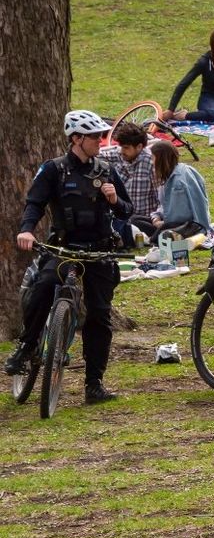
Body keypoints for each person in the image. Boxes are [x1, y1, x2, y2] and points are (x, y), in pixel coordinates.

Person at [5, 111, 133, 403]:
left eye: (101, 136)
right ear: (76, 139)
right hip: (63, 248)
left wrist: (114, 199)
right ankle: (26, 348)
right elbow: (34, 204)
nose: (101, 141)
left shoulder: (106, 169)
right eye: (94, 137)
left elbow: (128, 210)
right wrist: (26, 231)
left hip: (100, 251)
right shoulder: (54, 170)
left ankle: (94, 384)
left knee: (99, 316)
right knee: (43, 288)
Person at [132, 141, 212, 244]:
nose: (152, 162)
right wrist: (156, 218)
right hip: (167, 223)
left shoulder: (185, 175)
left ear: (161, 158)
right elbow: (162, 205)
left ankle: (153, 238)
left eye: (153, 158)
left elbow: (199, 202)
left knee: (165, 231)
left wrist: (203, 228)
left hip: (185, 225)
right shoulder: (164, 178)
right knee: (134, 219)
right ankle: (156, 235)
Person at [99, 123, 158, 247]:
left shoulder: (151, 163)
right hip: (120, 219)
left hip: (143, 221)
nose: (122, 151)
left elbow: (161, 198)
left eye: (126, 148)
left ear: (139, 146)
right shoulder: (117, 155)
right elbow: (94, 154)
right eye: (121, 147)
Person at [166, 27, 214, 122]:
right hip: (208, 98)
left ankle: (210, 113)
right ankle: (183, 115)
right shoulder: (204, 62)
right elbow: (184, 83)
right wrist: (171, 109)